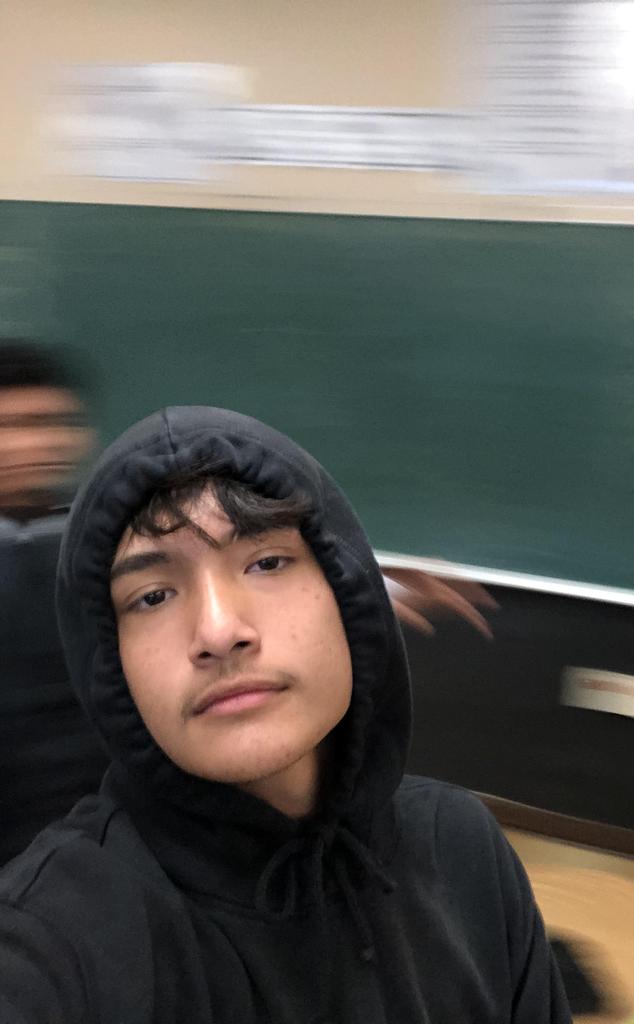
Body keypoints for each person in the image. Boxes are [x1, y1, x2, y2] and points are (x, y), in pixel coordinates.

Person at [0, 405, 568, 1022]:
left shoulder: (462, 849)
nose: (219, 631)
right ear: (110, 664)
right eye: (153, 596)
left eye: (267, 562)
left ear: (348, 594)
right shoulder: (54, 940)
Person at [0, 340, 495, 867]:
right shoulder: (90, 548)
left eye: (49, 422)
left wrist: (374, 588)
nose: (33, 443)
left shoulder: (96, 532)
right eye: (153, 597)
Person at [0, 340, 107, 864]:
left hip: (100, 842)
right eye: (9, 426)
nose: (33, 443)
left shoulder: (115, 543)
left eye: (52, 422)